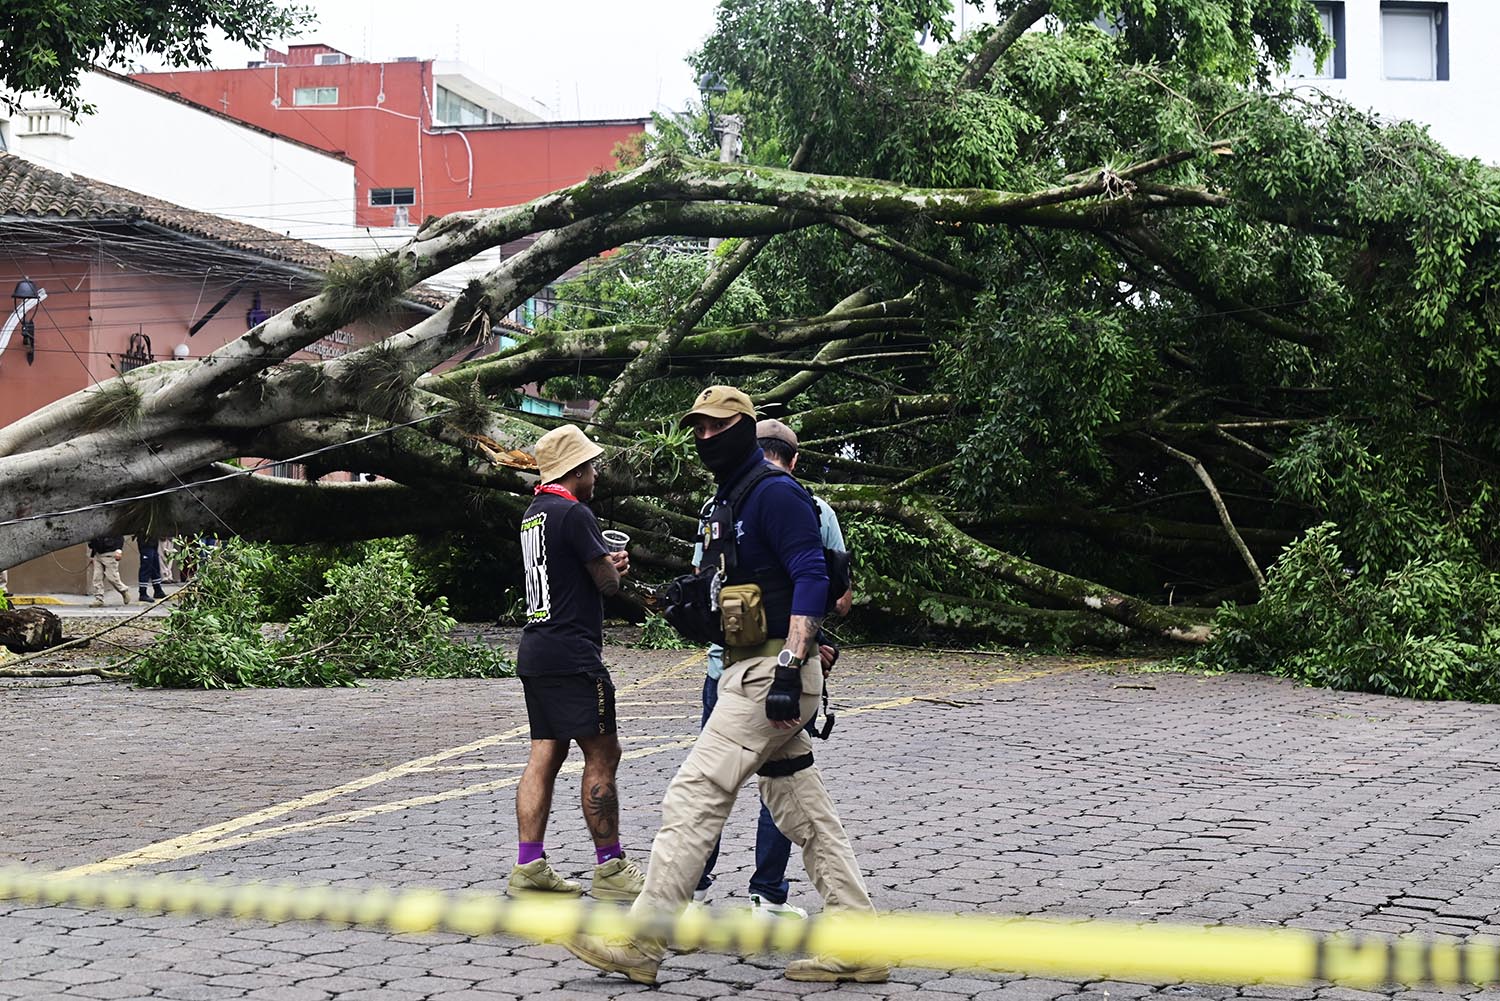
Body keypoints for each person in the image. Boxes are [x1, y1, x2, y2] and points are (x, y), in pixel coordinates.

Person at [565, 386, 886, 985]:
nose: (706, 438)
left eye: (718, 428)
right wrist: (675, 601)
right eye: (699, 429)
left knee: (693, 794)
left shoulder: (775, 493)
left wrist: (792, 666)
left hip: (770, 674)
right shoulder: (729, 501)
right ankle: (859, 939)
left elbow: (812, 577)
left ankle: (642, 941)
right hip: (750, 667)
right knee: (804, 813)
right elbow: (726, 590)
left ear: (746, 427)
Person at [690, 417, 853, 919]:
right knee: (784, 797)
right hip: (771, 670)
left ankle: (672, 909)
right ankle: (771, 895)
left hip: (742, 672)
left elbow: (707, 586)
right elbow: (839, 597)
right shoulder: (815, 507)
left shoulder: (721, 506)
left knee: (703, 793)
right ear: (795, 457)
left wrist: (787, 662)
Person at [510, 424, 645, 903]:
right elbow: (607, 584)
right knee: (604, 754)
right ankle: (610, 866)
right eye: (591, 466)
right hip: (573, 652)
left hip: (537, 648)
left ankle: (529, 865)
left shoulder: (533, 514)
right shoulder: (574, 512)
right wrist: (616, 566)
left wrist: (602, 565)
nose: (596, 474)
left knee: (545, 754)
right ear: (575, 472)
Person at [87, 535, 132, 606]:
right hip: (98, 554)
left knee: (112, 577)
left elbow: (119, 537)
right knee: (97, 578)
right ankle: (99, 599)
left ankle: (123, 591)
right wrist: (92, 555)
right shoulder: (96, 527)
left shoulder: (111, 528)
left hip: (110, 553)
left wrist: (119, 550)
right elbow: (93, 540)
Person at [135, 536, 167, 603]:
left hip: (154, 541)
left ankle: (158, 590)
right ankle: (142, 593)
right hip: (145, 542)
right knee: (146, 567)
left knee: (155, 566)